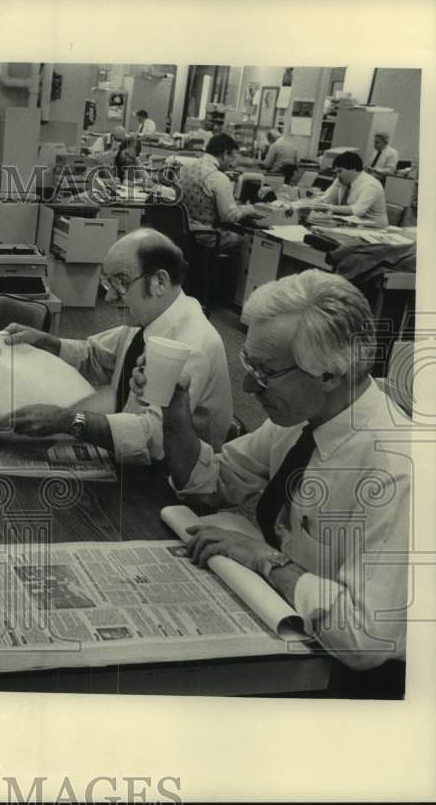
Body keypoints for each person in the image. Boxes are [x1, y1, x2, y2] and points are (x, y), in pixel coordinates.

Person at [135, 270, 410, 694]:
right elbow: (214, 483)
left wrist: (267, 561)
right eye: (248, 363)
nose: (247, 385)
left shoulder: (395, 470)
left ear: (330, 375)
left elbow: (366, 640)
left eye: (263, 373)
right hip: (293, 626)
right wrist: (175, 409)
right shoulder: (304, 418)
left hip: (361, 681)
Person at [0, 228, 231, 464]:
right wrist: (48, 342)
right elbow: (96, 355)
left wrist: (69, 421)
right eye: (107, 283)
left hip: (169, 479)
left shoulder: (190, 346)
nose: (108, 298)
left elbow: (153, 438)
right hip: (132, 454)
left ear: (160, 281)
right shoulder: (148, 318)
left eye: (121, 282)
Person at [176, 133, 263, 279]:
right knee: (246, 242)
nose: (233, 163)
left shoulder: (185, 168)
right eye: (232, 157)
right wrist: (250, 209)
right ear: (224, 154)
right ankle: (227, 292)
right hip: (206, 236)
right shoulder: (218, 177)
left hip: (184, 231)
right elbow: (229, 216)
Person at [313, 151, 388, 228]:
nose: (337, 175)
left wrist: (329, 207)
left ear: (353, 169)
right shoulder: (342, 180)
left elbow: (357, 210)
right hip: (351, 224)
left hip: (373, 227)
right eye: (336, 172)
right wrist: (311, 204)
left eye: (340, 171)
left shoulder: (371, 185)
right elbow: (326, 198)